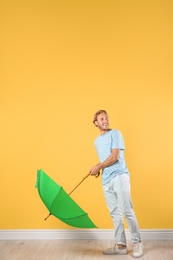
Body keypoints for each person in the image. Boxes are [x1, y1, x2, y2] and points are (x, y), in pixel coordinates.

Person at [89, 110, 143, 258]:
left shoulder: (116, 134)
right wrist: (97, 168)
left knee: (127, 210)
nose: (105, 120)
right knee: (115, 214)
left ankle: (138, 243)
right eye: (102, 119)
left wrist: (99, 167)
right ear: (96, 123)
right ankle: (121, 246)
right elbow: (105, 159)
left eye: (106, 118)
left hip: (120, 176)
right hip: (106, 180)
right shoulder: (96, 141)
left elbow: (114, 156)